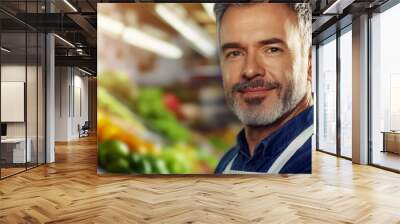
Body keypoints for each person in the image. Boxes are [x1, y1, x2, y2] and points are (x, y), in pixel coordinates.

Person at [214, 3, 313, 174]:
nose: (250, 70)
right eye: (235, 53)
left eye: (272, 50)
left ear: (310, 63)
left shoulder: (315, 160)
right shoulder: (228, 162)